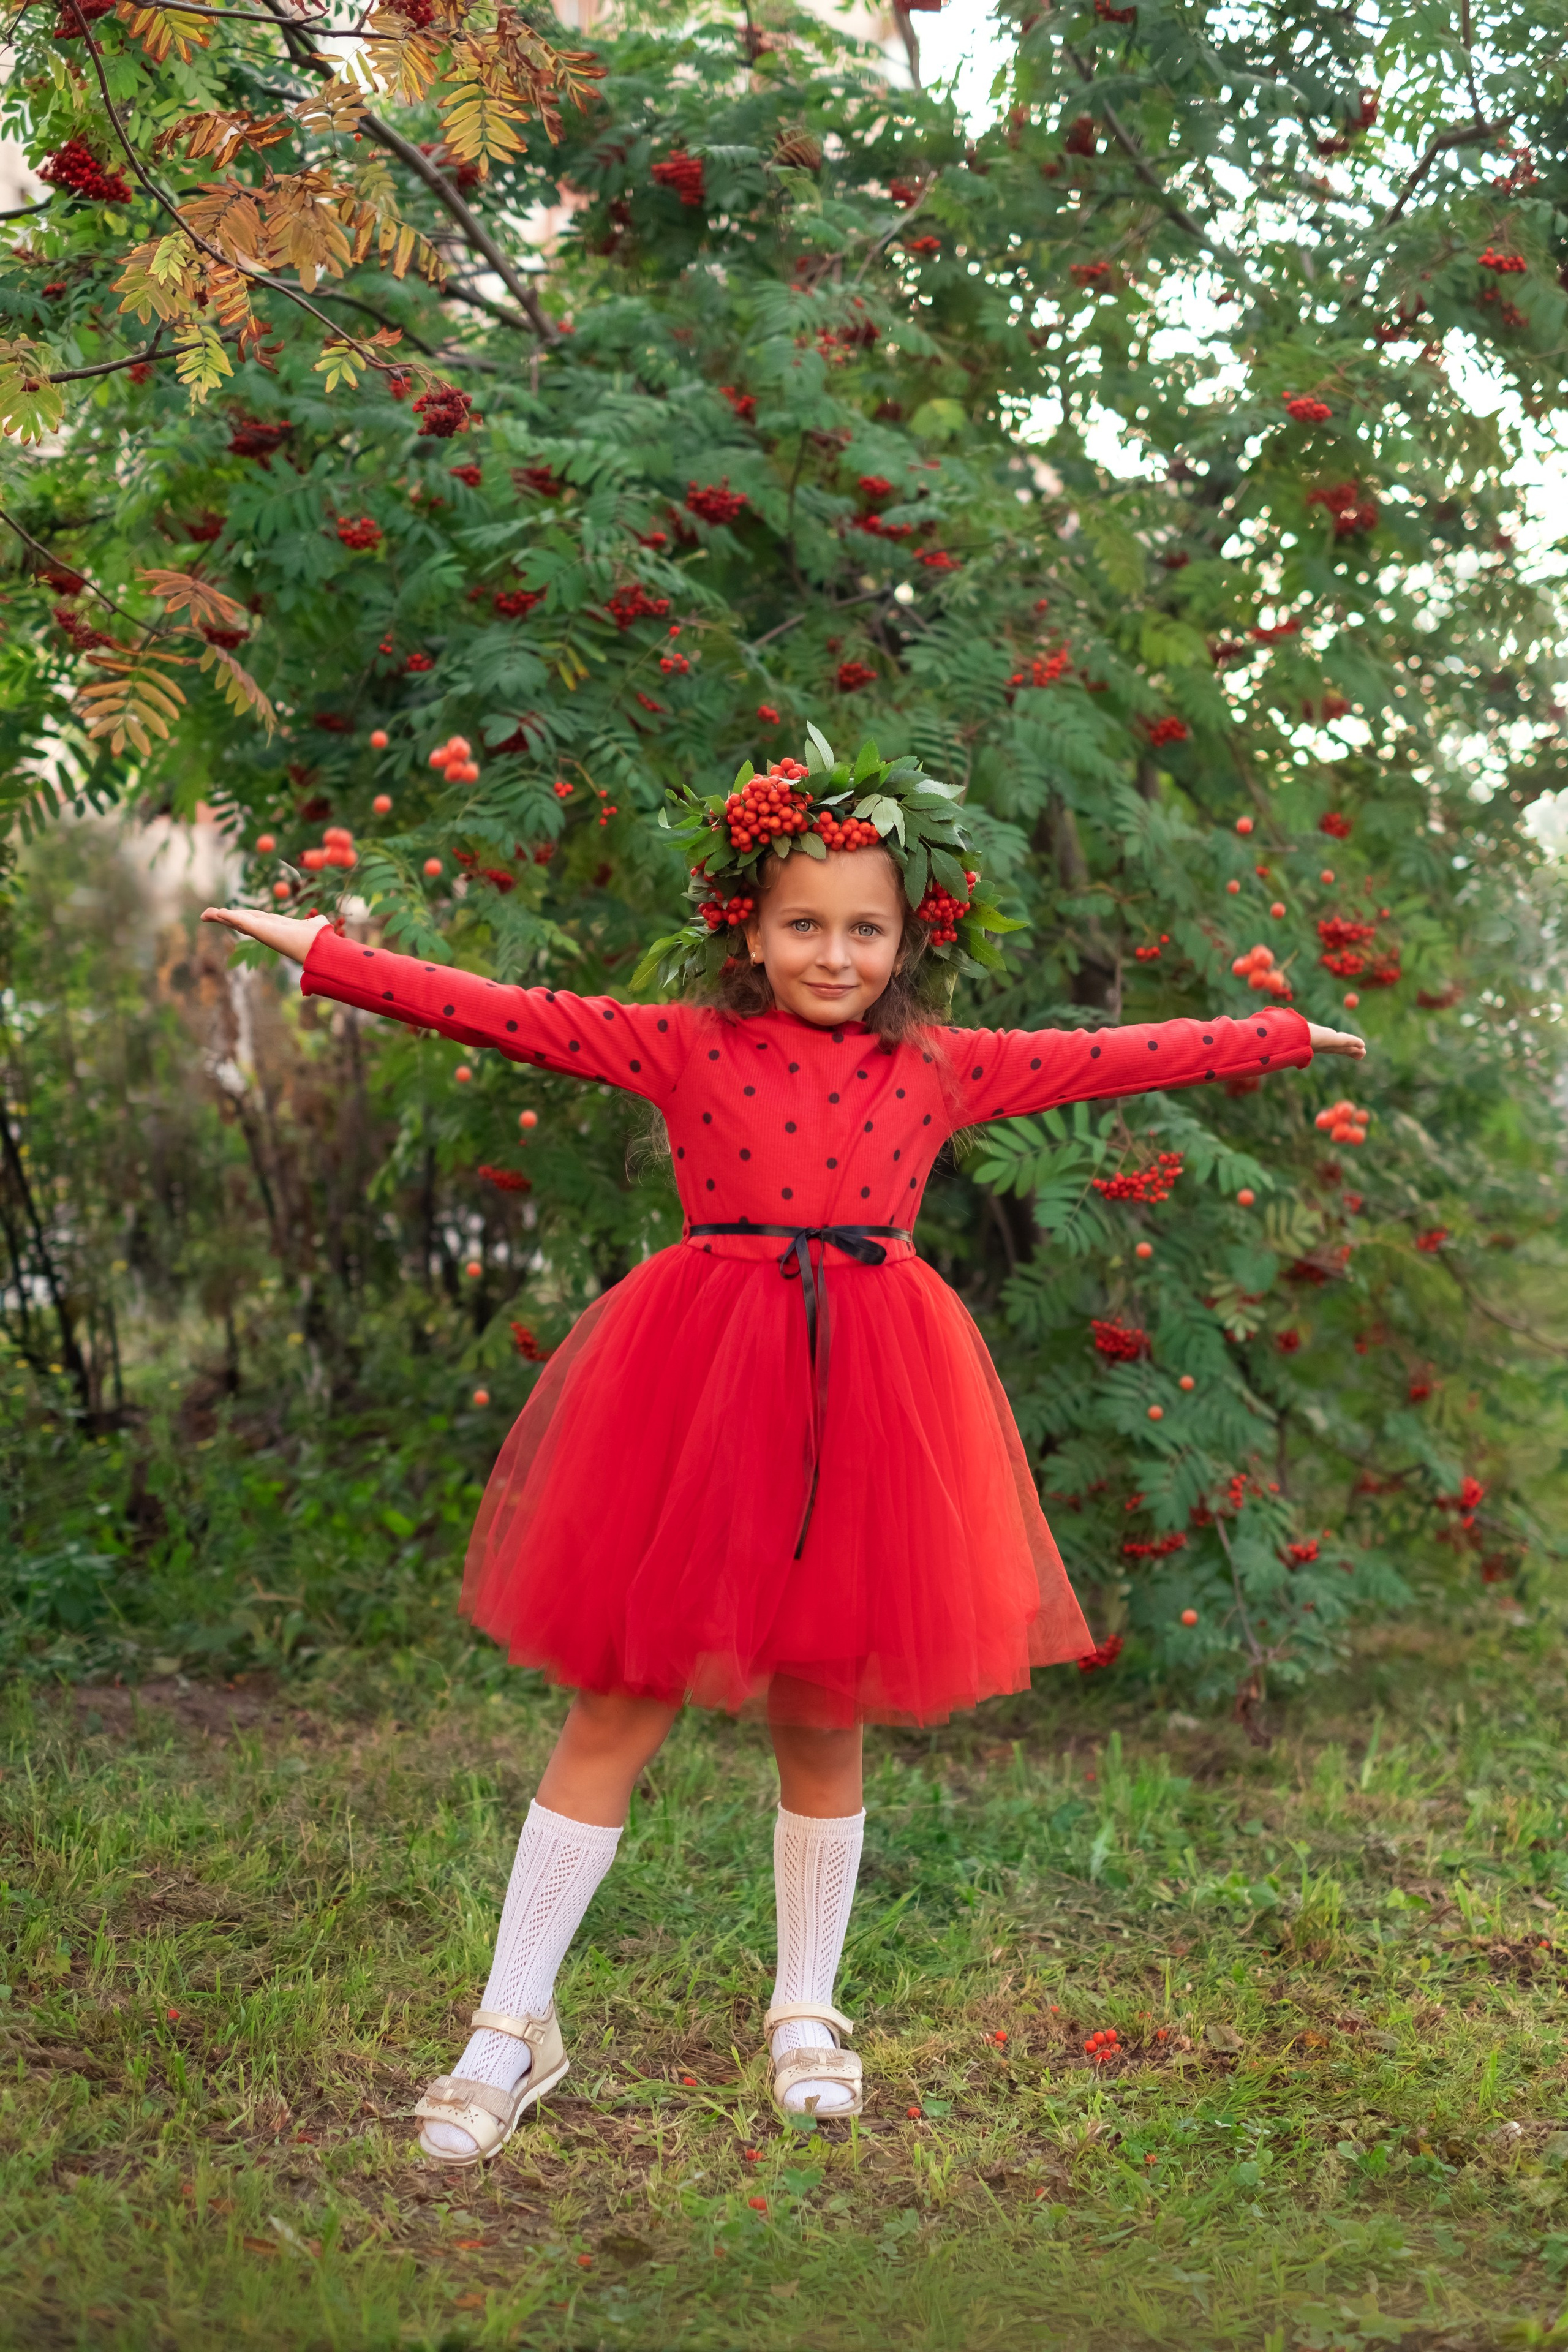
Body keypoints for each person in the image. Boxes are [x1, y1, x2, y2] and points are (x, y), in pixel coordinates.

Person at [203, 740, 1364, 2163]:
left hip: (867, 1411)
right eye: (802, 924)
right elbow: (505, 1013)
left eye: (862, 927)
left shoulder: (938, 1064)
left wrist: (1277, 1035)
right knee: (619, 1698)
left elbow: (1104, 1059)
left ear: (907, 937)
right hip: (695, 1400)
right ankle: (510, 2026)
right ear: (746, 933)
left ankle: (804, 2009)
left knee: (822, 1709)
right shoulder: (683, 1043)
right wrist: (324, 950)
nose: (832, 952)